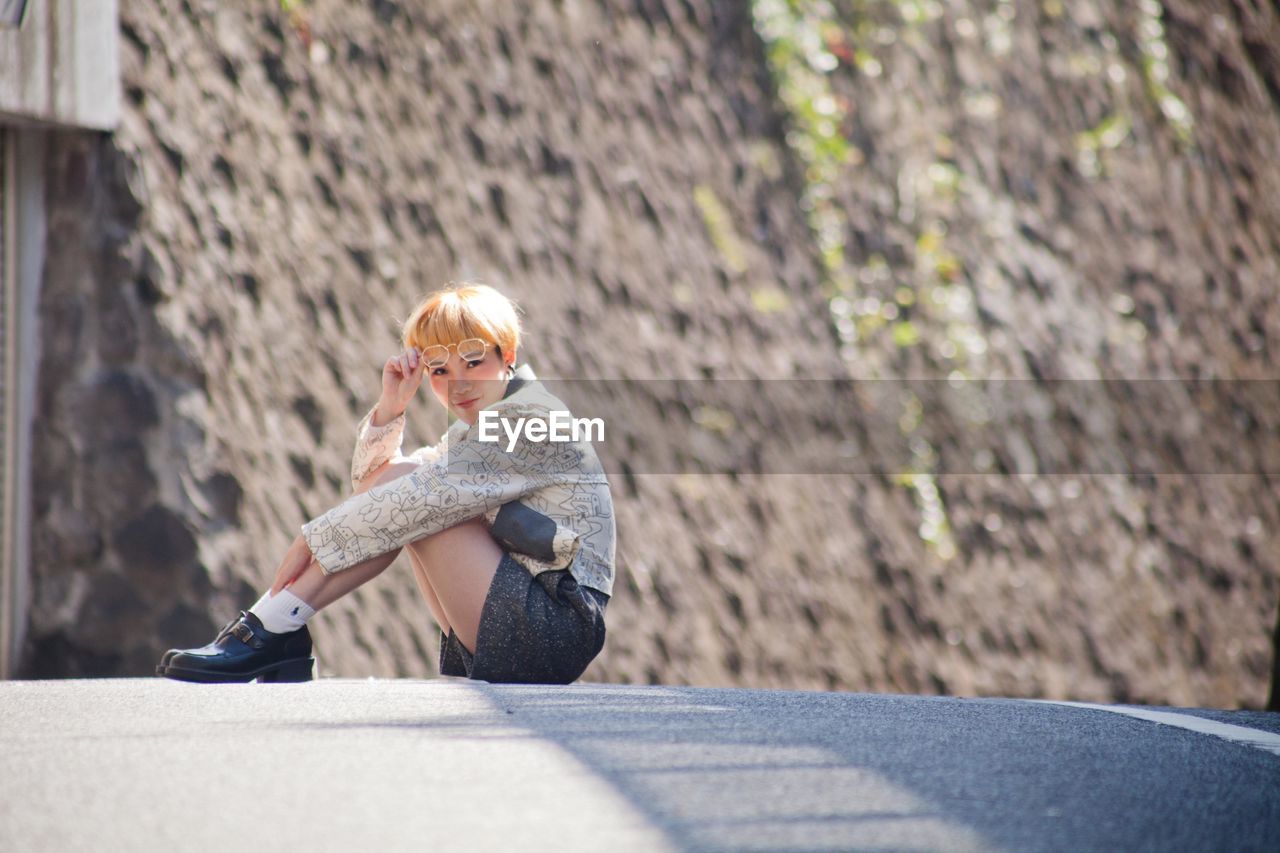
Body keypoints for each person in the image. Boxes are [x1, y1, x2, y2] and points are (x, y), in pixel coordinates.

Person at [156, 283, 614, 684]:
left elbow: (411, 499)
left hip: (554, 625)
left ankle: (270, 627)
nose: (458, 386)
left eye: (473, 361)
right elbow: (376, 485)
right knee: (407, 492)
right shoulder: (474, 434)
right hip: (524, 618)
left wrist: (314, 536)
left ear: (507, 355)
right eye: (439, 370)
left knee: (418, 498)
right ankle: (276, 628)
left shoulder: (532, 422)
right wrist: (391, 408)